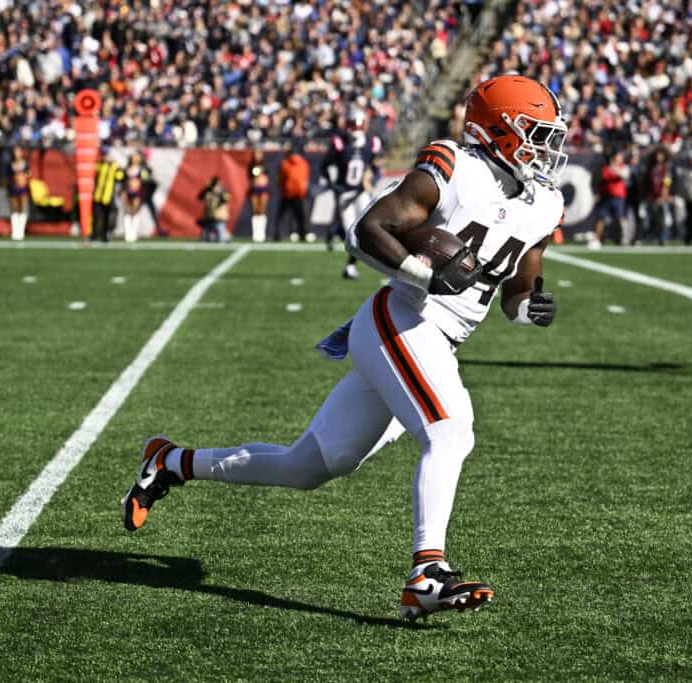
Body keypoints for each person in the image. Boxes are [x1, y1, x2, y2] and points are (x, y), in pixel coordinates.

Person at [120, 74, 565, 623]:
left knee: (306, 466)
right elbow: (368, 229)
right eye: (535, 134)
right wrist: (425, 276)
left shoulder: (545, 200)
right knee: (451, 431)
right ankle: (427, 573)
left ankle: (171, 462)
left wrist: (530, 309)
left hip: (438, 339)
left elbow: (519, 289)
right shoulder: (455, 168)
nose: (546, 148)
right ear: (494, 130)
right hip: (401, 318)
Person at [321, 108, 384, 279]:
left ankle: (349, 266)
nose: (355, 130)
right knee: (351, 235)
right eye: (352, 125)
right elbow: (324, 166)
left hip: (361, 192)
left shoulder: (372, 142)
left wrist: (372, 180)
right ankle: (335, 232)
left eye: (358, 125)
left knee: (362, 232)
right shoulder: (339, 142)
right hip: (345, 193)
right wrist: (333, 185)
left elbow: (377, 166)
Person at [274, 141, 312, 242]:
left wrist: (282, 188)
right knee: (302, 216)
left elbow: (281, 179)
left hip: (288, 192)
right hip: (300, 193)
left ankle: (277, 234)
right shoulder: (304, 163)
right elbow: (306, 178)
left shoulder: (285, 163)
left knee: (281, 215)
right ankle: (304, 234)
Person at [591, 149, 628, 247]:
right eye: (619, 156)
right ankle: (596, 239)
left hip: (618, 197)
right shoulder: (606, 168)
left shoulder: (623, 167)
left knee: (620, 218)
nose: (621, 158)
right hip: (606, 197)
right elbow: (604, 178)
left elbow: (624, 175)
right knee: (600, 218)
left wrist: (614, 168)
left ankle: (624, 238)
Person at [91, 147, 124, 242]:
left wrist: (118, 170)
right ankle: (94, 234)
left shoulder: (114, 166)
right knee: (96, 216)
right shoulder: (99, 164)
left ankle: (105, 235)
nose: (105, 157)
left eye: (106, 155)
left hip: (108, 196)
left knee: (106, 217)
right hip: (98, 195)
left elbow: (120, 177)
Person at [198, 176, 231, 243]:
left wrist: (219, 194)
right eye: (215, 185)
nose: (217, 187)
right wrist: (207, 189)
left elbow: (226, 198)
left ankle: (224, 237)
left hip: (219, 217)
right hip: (209, 217)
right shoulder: (208, 193)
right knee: (205, 236)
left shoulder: (223, 192)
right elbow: (200, 197)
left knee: (220, 234)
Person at [121, 153, 145, 243]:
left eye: (137, 158)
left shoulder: (141, 169)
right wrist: (123, 192)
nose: (136, 159)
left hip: (137, 192)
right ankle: (128, 233)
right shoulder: (126, 169)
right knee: (127, 211)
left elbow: (145, 180)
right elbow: (123, 181)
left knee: (135, 211)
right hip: (128, 192)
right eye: (134, 157)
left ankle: (133, 233)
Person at [248, 149, 270, 242]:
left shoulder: (265, 165)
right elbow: (250, 176)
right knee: (255, 210)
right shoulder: (251, 165)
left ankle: (262, 233)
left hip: (263, 188)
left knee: (262, 210)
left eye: (259, 153)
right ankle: (255, 233)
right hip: (254, 188)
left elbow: (267, 176)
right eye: (256, 153)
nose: (257, 155)